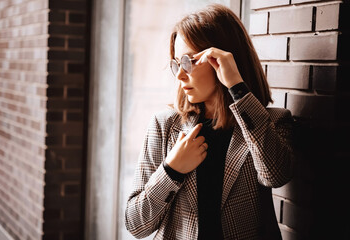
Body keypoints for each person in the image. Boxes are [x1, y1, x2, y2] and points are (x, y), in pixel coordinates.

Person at [125, 3, 294, 240]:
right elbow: (135, 224)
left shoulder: (272, 122)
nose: (180, 75)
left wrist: (235, 84)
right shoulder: (164, 126)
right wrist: (171, 170)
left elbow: (275, 175)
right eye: (176, 64)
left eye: (188, 61)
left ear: (223, 59)